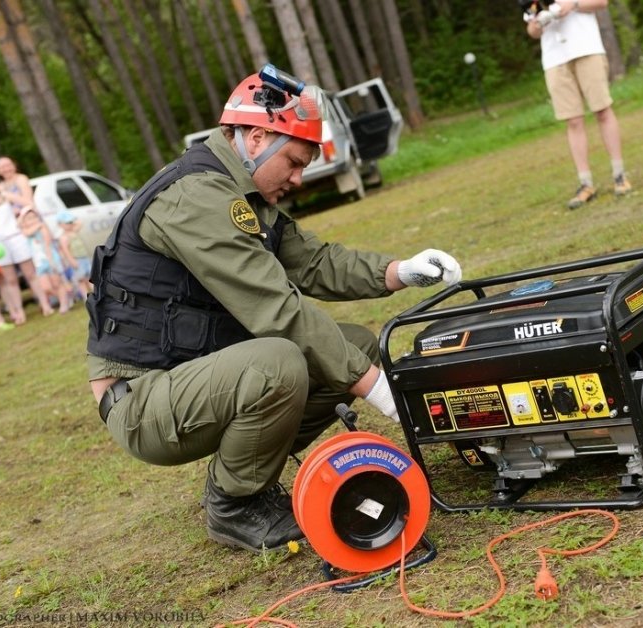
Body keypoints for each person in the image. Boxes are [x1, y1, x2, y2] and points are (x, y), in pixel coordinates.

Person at [86, 67, 463, 554]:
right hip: (140, 396)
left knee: (354, 346)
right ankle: (234, 504)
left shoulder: (239, 193)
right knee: (279, 363)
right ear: (258, 136)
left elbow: (316, 262)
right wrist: (379, 391)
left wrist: (400, 271)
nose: (298, 178)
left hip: (192, 376)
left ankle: (247, 473)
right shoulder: (196, 196)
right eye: (294, 161)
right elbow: (277, 310)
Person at [525, 0, 632, 209]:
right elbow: (531, 29)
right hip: (555, 60)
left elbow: (601, 3)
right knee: (573, 120)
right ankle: (585, 184)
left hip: (586, 49)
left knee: (602, 110)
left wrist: (572, 5)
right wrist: (537, 24)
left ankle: (619, 175)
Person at [0, 173, 49, 323]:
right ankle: (19, 312)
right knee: (10, 280)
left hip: (17, 238)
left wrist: (22, 220)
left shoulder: (4, 196)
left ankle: (45, 304)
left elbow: (27, 203)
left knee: (31, 274)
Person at [19, 207, 71, 314]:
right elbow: (24, 230)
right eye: (29, 218)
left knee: (56, 283)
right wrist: (34, 223)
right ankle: (66, 296)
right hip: (39, 263)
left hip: (50, 258)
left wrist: (52, 261)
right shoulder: (27, 230)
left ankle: (64, 303)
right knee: (46, 287)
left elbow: (47, 244)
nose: (32, 220)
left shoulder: (43, 228)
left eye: (34, 217)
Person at [55, 211, 92, 301]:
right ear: (60, 224)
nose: (70, 224)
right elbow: (66, 251)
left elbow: (80, 223)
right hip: (76, 260)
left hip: (84, 257)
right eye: (67, 223)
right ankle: (85, 297)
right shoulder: (63, 237)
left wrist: (73, 220)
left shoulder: (74, 231)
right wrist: (71, 261)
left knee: (89, 277)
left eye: (71, 222)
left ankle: (96, 293)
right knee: (81, 279)